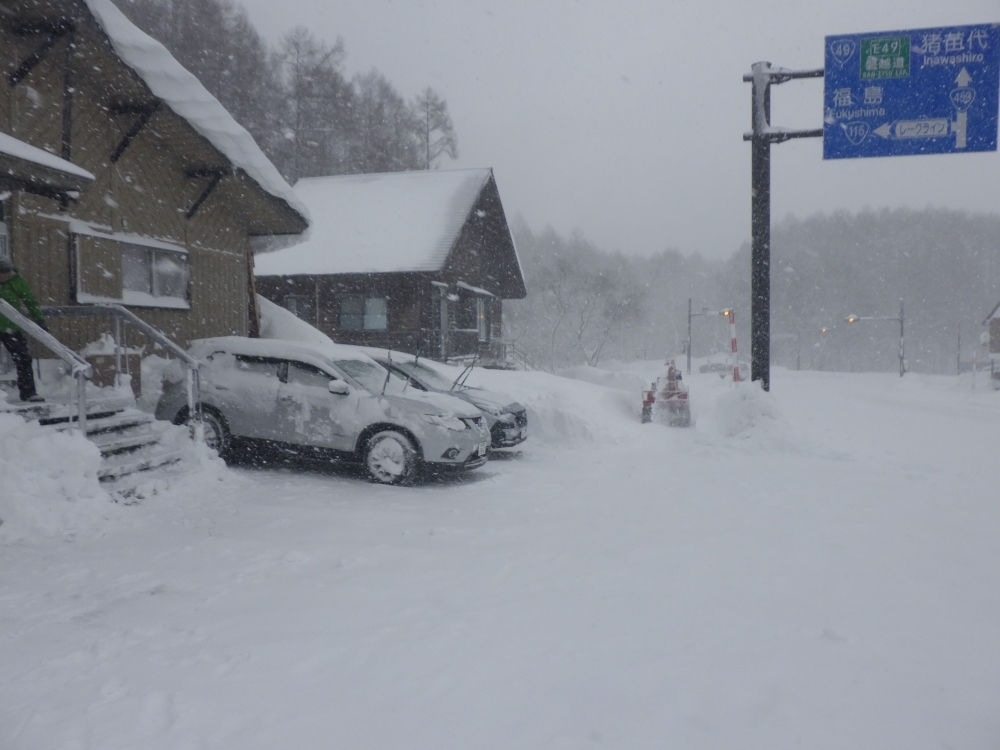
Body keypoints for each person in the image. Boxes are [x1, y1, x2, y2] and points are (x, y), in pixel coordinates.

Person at [0, 258, 46, 402]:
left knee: (23, 358)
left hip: (10, 327)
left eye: (6, 272)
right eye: (1, 272)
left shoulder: (17, 281)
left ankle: (29, 392)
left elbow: (30, 300)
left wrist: (39, 318)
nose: (3, 275)